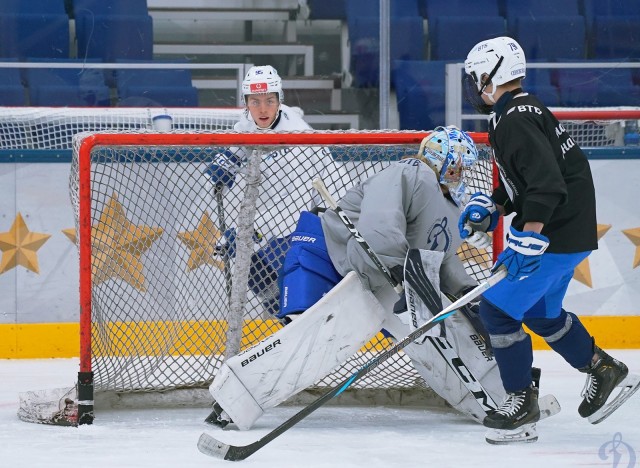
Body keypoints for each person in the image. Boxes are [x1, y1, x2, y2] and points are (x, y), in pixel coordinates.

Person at [205, 126, 505, 431]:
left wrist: (469, 296)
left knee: (441, 335)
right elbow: (380, 225)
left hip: (385, 276)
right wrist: (399, 276)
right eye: (457, 167)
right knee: (308, 337)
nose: (460, 176)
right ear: (441, 159)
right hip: (328, 254)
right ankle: (233, 401)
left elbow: (442, 260)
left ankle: (497, 398)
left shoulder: (452, 211)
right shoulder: (410, 172)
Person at [459, 36, 639, 443]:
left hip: (555, 233)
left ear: (492, 74)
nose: (475, 85)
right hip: (567, 230)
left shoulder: (515, 118)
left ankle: (521, 404)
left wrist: (529, 237)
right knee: (540, 315)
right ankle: (602, 369)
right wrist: (495, 206)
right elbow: (529, 179)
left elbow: (547, 186)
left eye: (476, 77)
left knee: (497, 311)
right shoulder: (523, 109)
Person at [204, 65, 346, 317]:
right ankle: (282, 310)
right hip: (295, 211)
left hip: (329, 211)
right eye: (254, 101)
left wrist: (253, 232)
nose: (262, 109)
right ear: (245, 103)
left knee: (289, 266)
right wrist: (229, 157)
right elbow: (243, 135)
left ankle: (297, 314)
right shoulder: (251, 120)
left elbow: (292, 210)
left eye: (270, 101)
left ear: (280, 100)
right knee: (249, 262)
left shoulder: (297, 141)